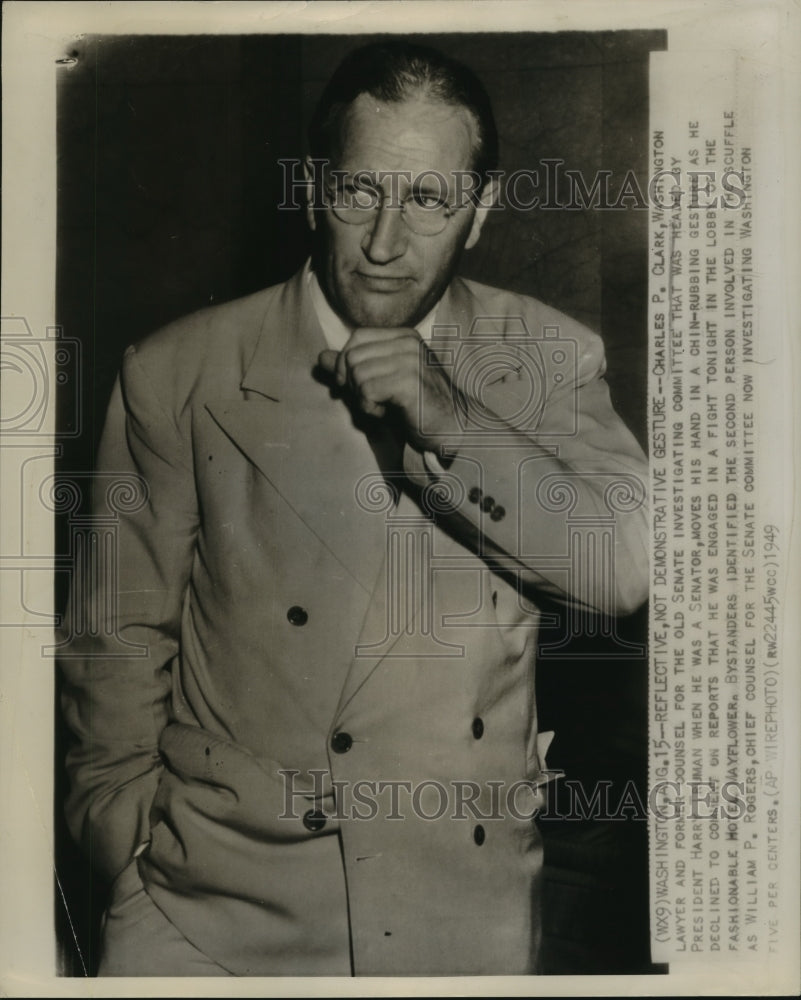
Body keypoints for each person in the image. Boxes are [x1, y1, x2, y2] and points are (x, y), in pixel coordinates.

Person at [59, 40, 649, 977]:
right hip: (213, 910)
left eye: (428, 201)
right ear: (310, 190)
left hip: (460, 910)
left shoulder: (545, 354)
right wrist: (128, 852)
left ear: (481, 212)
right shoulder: (176, 370)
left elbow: (620, 573)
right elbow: (114, 641)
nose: (384, 242)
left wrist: (454, 421)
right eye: (358, 191)